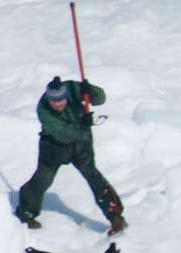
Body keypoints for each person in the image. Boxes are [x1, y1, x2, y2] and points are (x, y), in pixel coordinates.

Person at [15, 76, 127, 235]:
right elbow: (64, 135)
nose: (58, 103)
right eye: (54, 101)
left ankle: (115, 217)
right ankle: (26, 213)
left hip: (81, 144)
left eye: (61, 99)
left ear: (65, 94)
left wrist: (91, 91)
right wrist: (83, 124)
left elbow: (101, 99)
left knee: (93, 176)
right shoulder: (43, 111)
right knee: (42, 179)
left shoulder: (73, 89)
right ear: (48, 99)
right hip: (53, 146)